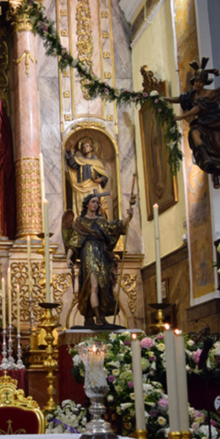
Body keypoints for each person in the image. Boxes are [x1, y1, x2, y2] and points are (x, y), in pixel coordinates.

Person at [63, 193, 133, 327]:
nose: (95, 204)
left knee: (103, 287)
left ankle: (95, 316)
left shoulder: (102, 221)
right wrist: (68, 258)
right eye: (93, 201)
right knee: (93, 286)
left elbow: (116, 227)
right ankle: (98, 318)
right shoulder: (80, 222)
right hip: (88, 255)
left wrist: (129, 217)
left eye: (97, 202)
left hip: (102, 256)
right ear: (87, 204)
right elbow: (74, 242)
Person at [164, 58, 220, 188]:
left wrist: (181, 116)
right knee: (194, 134)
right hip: (201, 123)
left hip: (214, 120)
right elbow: (179, 99)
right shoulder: (192, 94)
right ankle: (206, 157)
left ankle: (216, 172)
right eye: (196, 81)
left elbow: (197, 109)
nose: (198, 84)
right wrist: (163, 98)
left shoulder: (210, 94)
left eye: (201, 82)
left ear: (204, 83)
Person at [65, 137, 110, 219]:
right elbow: (72, 163)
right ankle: (82, 225)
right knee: (82, 208)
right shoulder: (79, 160)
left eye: (87, 146)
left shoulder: (97, 162)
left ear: (91, 148)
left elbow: (104, 177)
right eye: (83, 147)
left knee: (95, 207)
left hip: (93, 188)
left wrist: (100, 180)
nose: (85, 148)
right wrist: (68, 150)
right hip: (81, 188)